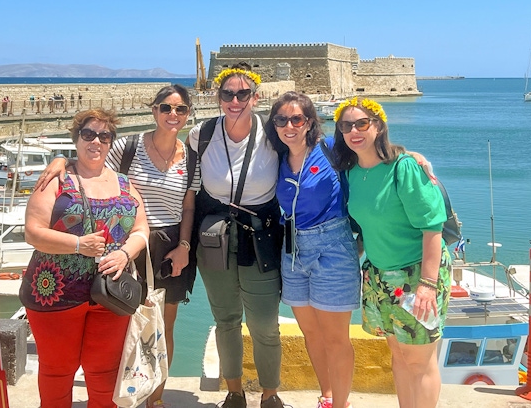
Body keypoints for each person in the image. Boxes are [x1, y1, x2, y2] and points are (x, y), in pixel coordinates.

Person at [35, 85, 199, 408]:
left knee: (161, 326)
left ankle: (155, 398)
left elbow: (189, 206)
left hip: (168, 247)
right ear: (154, 111)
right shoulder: (128, 146)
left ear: (188, 114)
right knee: (122, 324)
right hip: (126, 244)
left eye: (180, 110)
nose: (172, 115)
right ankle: (125, 394)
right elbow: (90, 160)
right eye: (166, 108)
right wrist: (61, 161)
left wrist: (184, 245)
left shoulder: (191, 159)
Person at [20, 108, 150, 408]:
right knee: (57, 373)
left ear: (111, 142)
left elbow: (142, 228)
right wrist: (78, 244)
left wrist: (124, 253)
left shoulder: (123, 183)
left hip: (110, 295)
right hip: (56, 294)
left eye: (104, 136)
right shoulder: (57, 179)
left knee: (105, 375)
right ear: (76, 138)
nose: (96, 142)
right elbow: (33, 232)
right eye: (88, 134)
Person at [332, 98, 450, 408]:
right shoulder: (351, 172)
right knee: (398, 356)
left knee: (420, 361)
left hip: (415, 274)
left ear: (379, 126)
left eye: (362, 123)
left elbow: (433, 228)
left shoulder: (404, 167)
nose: (354, 131)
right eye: (346, 126)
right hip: (380, 276)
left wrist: (427, 283)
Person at [187, 63, 285, 408]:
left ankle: (270, 393)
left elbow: (318, 150)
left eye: (243, 94)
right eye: (228, 94)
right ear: (219, 97)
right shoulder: (203, 133)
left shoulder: (272, 133)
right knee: (225, 320)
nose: (235, 100)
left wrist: (402, 154)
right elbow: (163, 154)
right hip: (216, 240)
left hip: (260, 238)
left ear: (255, 97)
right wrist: (68, 162)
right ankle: (235, 392)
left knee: (264, 324)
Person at [263, 91, 359, 408]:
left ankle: (341, 404)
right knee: (311, 333)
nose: (289, 125)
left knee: (335, 337)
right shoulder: (275, 158)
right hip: (292, 250)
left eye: (297, 119)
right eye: (281, 119)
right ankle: (328, 397)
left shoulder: (330, 149)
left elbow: (373, 153)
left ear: (309, 122)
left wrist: (410, 155)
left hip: (332, 245)